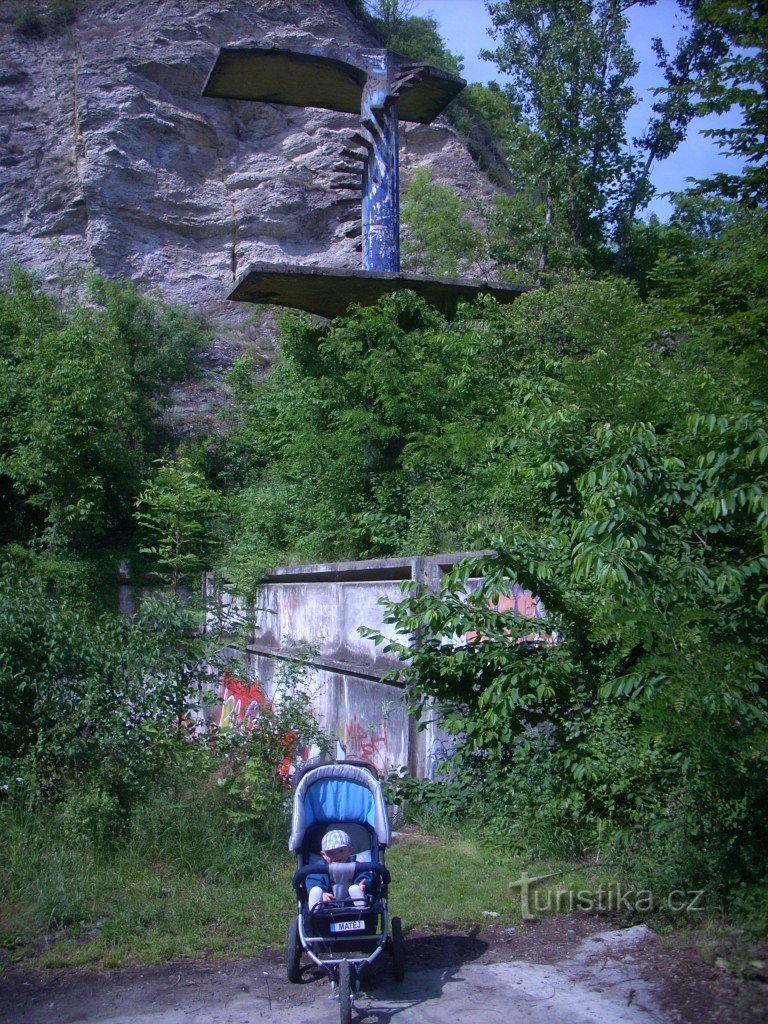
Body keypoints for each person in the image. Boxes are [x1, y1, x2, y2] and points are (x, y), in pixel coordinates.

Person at [306, 829, 373, 910]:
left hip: (351, 901)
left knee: (356, 888)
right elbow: (313, 879)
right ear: (324, 855)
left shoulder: (357, 866)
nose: (336, 855)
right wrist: (322, 893)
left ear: (350, 851)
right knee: (316, 890)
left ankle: (360, 903)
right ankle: (315, 907)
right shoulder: (320, 868)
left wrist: (361, 885)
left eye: (341, 851)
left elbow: (365, 876)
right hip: (328, 903)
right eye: (330, 852)